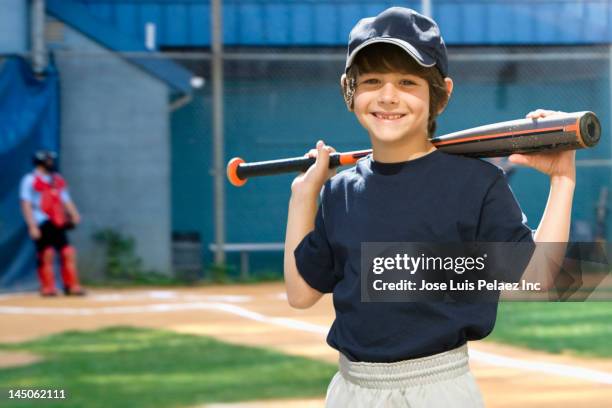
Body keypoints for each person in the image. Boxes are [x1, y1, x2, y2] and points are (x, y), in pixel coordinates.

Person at [283, 7, 575, 407]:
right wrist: (302, 198)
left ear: (441, 92)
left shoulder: (475, 183)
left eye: (407, 82)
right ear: (348, 90)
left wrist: (562, 180)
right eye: (372, 81)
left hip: (437, 389)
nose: (388, 96)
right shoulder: (341, 192)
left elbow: (539, 276)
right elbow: (300, 293)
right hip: (352, 389)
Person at [20, 150, 85, 296]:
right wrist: (32, 225)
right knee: (46, 253)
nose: (51, 163)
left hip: (58, 220)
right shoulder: (29, 180)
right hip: (41, 220)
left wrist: (74, 214)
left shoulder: (56, 178)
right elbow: (26, 203)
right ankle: (47, 287)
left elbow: (65, 198)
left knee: (68, 252)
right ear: (41, 162)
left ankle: (71, 286)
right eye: (48, 161)